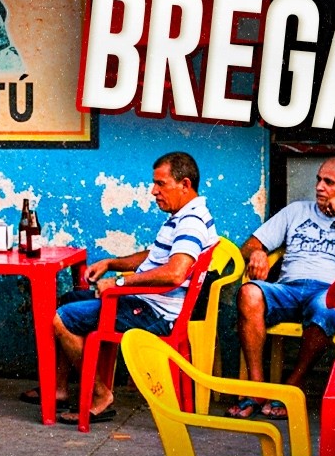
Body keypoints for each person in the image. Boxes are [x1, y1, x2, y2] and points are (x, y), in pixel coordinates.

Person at [17, 152, 218, 426]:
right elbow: (154, 256)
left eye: (161, 184)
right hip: (147, 302)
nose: (153, 191)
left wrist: (120, 282)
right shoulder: (183, 215)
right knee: (66, 301)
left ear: (184, 184)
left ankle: (100, 396)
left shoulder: (191, 222)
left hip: (154, 312)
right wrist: (111, 263)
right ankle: (59, 389)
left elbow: (175, 272)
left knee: (62, 319)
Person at [229, 157, 335, 419]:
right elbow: (249, 245)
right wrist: (259, 254)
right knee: (249, 292)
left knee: (327, 305)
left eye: (329, 182)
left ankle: (292, 384)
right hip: (288, 289)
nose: (320, 187)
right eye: (318, 179)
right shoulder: (296, 211)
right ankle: (256, 387)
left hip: (328, 292)